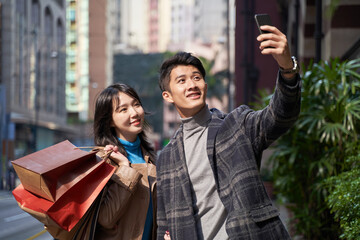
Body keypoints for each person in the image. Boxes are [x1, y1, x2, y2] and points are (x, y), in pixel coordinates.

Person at [156, 25, 301, 239]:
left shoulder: (236, 124)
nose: (192, 85)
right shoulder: (167, 157)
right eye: (182, 80)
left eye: (196, 77)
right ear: (168, 96)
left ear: (205, 84)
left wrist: (287, 68)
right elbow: (164, 223)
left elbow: (280, 116)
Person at [92, 83, 157, 240]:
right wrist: (124, 167)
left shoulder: (152, 158)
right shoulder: (101, 160)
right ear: (109, 121)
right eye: (123, 109)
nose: (134, 113)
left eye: (136, 105)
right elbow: (106, 219)